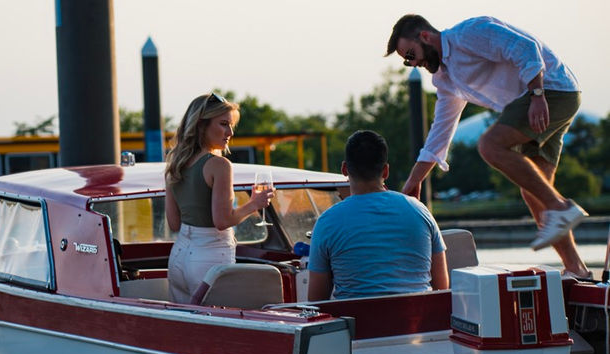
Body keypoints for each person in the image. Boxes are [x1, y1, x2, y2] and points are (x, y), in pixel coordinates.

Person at [386, 14, 590, 278]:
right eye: (407, 60)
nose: (414, 63)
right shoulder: (445, 80)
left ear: (425, 36)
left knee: (490, 146)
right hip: (536, 103)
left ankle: (561, 207)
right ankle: (577, 268)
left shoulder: (469, 34)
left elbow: (525, 47)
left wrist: (538, 95)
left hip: (550, 90)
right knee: (533, 190)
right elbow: (441, 131)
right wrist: (415, 180)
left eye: (411, 54)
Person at [307, 130, 448, 300]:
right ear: (386, 171)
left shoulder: (326, 223)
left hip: (357, 325)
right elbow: (442, 289)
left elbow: (317, 301)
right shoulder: (421, 211)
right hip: (419, 324)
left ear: (344, 169)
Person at [164, 93, 273, 303]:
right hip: (209, 258)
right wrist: (255, 203)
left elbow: (174, 223)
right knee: (218, 327)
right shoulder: (219, 165)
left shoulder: (174, 165)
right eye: (223, 124)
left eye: (231, 126)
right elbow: (222, 221)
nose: (230, 132)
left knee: (184, 326)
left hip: (178, 257)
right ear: (201, 125)